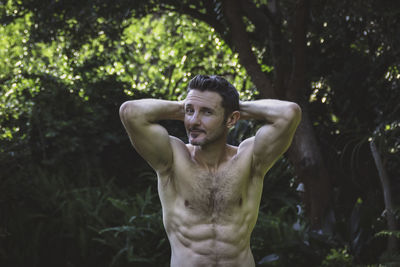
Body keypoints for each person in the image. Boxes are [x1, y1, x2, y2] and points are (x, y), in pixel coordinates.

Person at [119, 75, 301, 267]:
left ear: (232, 119)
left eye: (206, 112)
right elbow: (130, 112)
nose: (193, 121)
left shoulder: (250, 160)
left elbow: (289, 113)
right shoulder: (172, 159)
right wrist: (188, 106)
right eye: (189, 112)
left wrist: (232, 108)